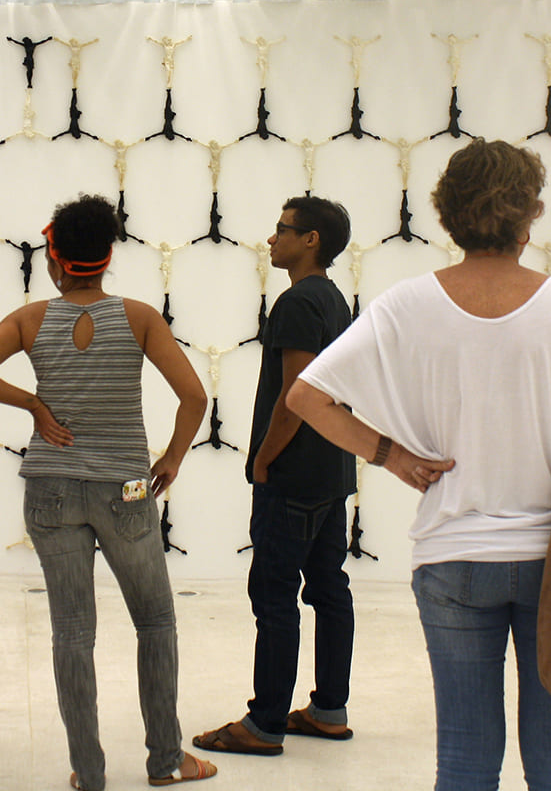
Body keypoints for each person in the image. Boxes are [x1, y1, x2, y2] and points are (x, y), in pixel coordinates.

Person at [288, 139, 551, 791]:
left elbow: (306, 396)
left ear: (447, 213)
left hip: (451, 557)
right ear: (529, 213)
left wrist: (389, 455)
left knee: (466, 754)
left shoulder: (407, 303)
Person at [0, 194, 217, 790]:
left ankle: (90, 772)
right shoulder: (139, 317)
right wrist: (172, 458)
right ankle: (166, 761)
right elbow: (194, 397)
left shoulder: (30, 319)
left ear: (55, 258)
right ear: (107, 256)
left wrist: (34, 405)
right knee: (155, 622)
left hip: (50, 487)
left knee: (72, 632)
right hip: (126, 487)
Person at [194, 196, 356, 758]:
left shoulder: (297, 302)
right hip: (331, 468)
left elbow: (297, 395)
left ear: (311, 240)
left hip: (293, 475)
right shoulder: (334, 299)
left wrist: (264, 458)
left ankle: (263, 724)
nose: (271, 239)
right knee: (329, 588)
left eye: (282, 229)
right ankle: (329, 710)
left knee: (275, 595)